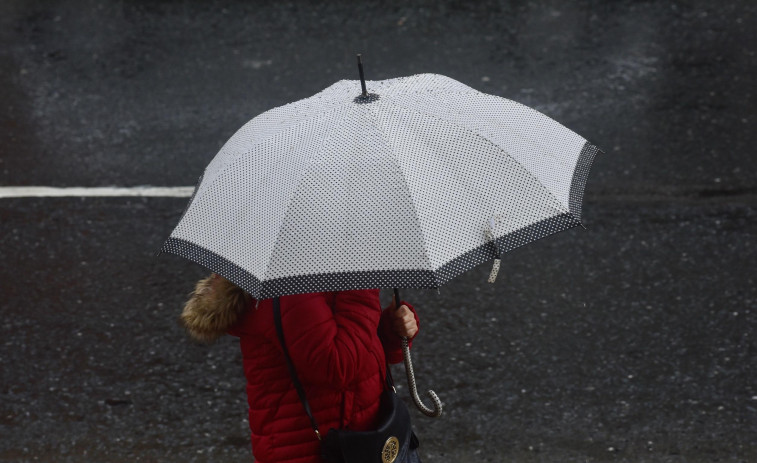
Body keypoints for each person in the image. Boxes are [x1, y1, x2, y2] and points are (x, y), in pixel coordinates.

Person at [180, 273, 421, 463]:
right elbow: (337, 367)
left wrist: (389, 330)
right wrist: (363, 285)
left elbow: (355, 346)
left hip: (362, 441)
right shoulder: (286, 286)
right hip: (308, 451)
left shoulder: (323, 265)